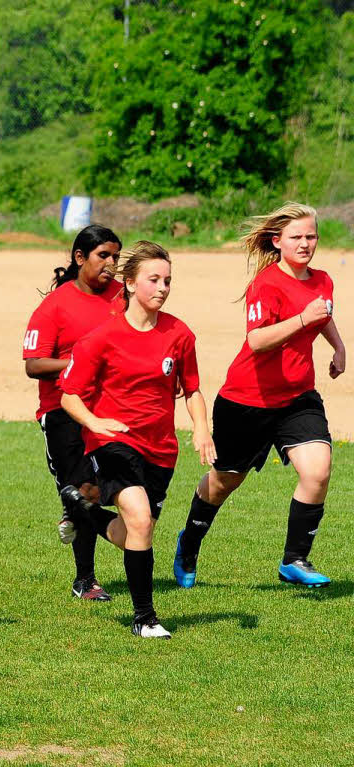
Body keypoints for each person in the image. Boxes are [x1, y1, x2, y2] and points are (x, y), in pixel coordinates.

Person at [174, 202, 344, 589]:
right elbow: (257, 340)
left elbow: (323, 313)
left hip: (298, 397)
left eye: (311, 236)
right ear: (277, 240)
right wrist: (303, 319)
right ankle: (189, 544)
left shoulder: (322, 281)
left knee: (317, 470)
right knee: (224, 482)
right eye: (296, 237)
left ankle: (294, 560)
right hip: (247, 400)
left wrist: (338, 346)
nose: (305, 243)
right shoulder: (266, 284)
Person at [61, 241, 214, 639]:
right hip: (112, 442)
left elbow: (192, 389)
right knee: (141, 519)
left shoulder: (179, 334)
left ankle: (87, 513)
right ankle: (145, 618)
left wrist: (201, 428)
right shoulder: (102, 338)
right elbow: (69, 395)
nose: (162, 287)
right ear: (129, 283)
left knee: (135, 533)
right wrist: (96, 422)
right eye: (153, 279)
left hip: (161, 450)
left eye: (167, 280)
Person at [23, 225, 122, 602]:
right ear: (80, 258)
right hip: (63, 410)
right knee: (85, 491)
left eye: (116, 257)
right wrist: (80, 363)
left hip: (110, 409)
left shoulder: (121, 297)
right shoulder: (55, 305)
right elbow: (33, 364)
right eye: (103, 256)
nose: (111, 265)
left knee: (105, 490)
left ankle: (72, 507)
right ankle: (85, 579)